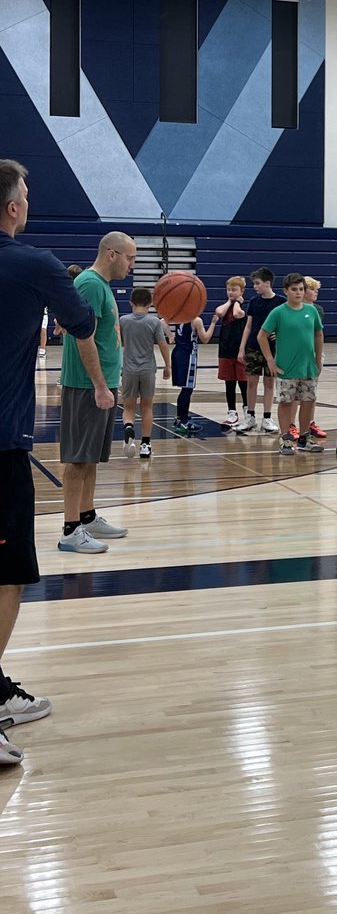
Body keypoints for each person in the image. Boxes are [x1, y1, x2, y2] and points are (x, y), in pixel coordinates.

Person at [0, 160, 112, 764]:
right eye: (28, 191)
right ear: (14, 207)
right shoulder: (36, 265)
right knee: (5, 575)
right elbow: (82, 322)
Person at [59, 231, 136, 553]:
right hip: (87, 385)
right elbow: (82, 338)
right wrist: (100, 385)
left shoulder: (100, 286)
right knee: (78, 459)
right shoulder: (90, 284)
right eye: (130, 257)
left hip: (100, 383)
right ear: (111, 254)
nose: (132, 265)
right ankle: (70, 530)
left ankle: (87, 517)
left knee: (89, 456)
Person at [258, 272, 324, 455]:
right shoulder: (278, 312)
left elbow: (318, 334)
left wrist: (318, 359)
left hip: (308, 366)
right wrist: (270, 360)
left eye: (301, 289)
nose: (298, 293)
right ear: (286, 291)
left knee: (308, 402)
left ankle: (304, 438)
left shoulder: (311, 311)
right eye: (294, 289)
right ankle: (286, 440)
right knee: (286, 403)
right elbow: (261, 336)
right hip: (286, 368)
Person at [120, 288, 171, 459]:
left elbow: (117, 344)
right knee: (147, 407)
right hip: (148, 370)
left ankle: (128, 429)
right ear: (150, 304)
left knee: (128, 407)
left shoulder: (123, 321)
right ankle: (145, 445)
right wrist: (168, 366)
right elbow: (163, 344)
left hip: (128, 369)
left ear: (130, 303)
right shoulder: (154, 322)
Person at [235, 268, 283, 434]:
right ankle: (250, 417)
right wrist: (242, 348)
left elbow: (285, 324)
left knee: (269, 383)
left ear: (267, 283)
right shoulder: (254, 302)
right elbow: (248, 326)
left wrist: (281, 333)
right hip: (253, 347)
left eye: (257, 283)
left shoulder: (281, 302)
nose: (254, 287)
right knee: (251, 383)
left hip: (273, 349)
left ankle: (268, 418)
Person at [170, 310, 218, 436]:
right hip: (188, 355)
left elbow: (163, 321)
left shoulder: (179, 316)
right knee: (187, 389)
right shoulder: (196, 320)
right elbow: (206, 339)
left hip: (177, 353)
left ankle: (181, 418)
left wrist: (169, 335)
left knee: (185, 388)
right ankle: (183, 420)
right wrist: (213, 323)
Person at [215, 276, 248, 428]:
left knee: (243, 383)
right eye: (229, 290)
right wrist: (230, 301)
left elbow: (236, 314)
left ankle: (248, 412)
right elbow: (219, 312)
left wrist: (237, 302)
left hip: (240, 351)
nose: (230, 292)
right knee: (229, 383)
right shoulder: (226, 305)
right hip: (226, 350)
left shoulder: (245, 306)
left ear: (242, 291)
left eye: (234, 290)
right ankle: (232, 413)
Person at [303, 277, 327, 440]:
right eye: (313, 289)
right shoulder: (293, 309)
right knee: (296, 394)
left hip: (314, 354)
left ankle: (310, 422)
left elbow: (318, 334)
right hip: (297, 355)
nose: (316, 292)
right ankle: (292, 425)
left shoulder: (317, 310)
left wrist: (319, 357)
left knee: (312, 392)